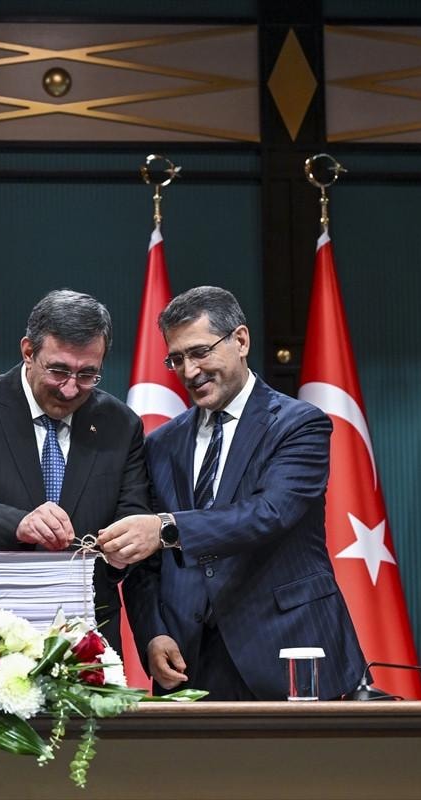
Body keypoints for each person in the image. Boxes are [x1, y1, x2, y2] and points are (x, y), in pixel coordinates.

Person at [98, 286, 365, 700]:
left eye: (200, 352)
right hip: (190, 663)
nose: (189, 371)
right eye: (177, 359)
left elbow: (270, 512)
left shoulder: (299, 424)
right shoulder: (161, 444)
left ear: (240, 340)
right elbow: (145, 563)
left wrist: (167, 528)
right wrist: (153, 634)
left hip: (287, 649)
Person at [0, 289, 151, 656]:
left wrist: (123, 546)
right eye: (59, 370)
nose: (70, 389)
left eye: (87, 374)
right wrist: (19, 522)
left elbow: (132, 510)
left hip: (83, 630)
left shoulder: (121, 424)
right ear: (28, 352)